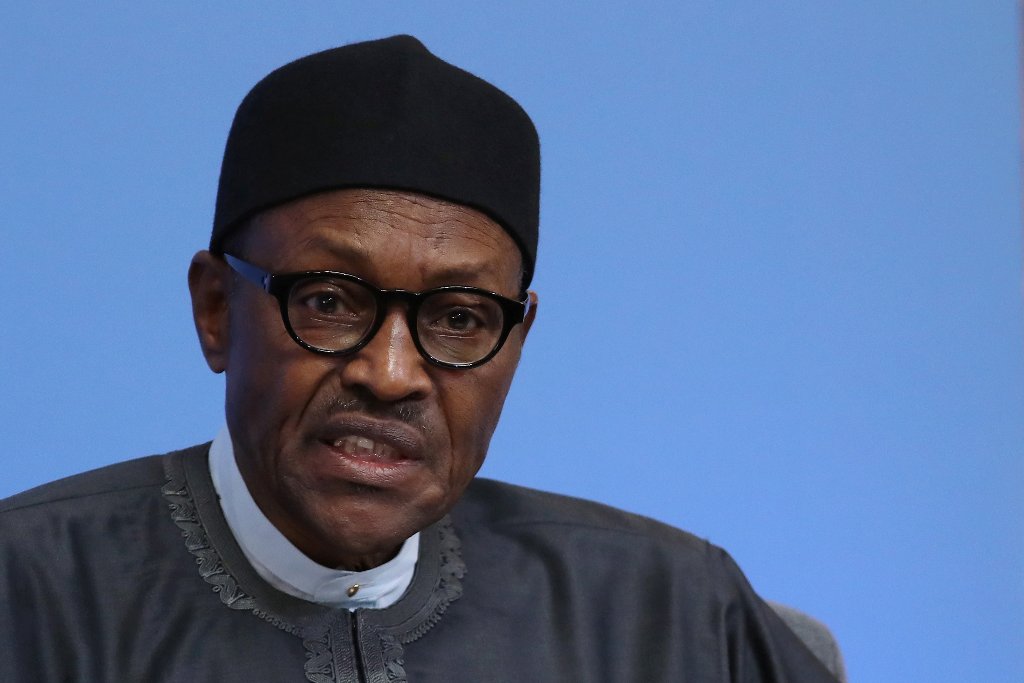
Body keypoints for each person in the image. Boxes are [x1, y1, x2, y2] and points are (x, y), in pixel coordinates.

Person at [0, 35, 841, 682]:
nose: (392, 373)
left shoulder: (669, 615)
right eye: (328, 301)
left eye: (461, 317)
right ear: (216, 309)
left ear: (516, 339)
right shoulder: (29, 595)